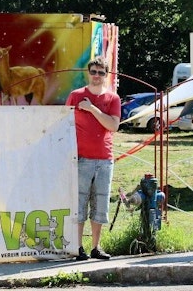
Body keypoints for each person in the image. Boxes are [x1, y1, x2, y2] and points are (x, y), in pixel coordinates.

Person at [65, 57, 120, 261]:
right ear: (88, 73)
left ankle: (96, 247)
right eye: (94, 72)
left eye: (101, 73)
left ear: (107, 75)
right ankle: (78, 247)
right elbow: (64, 123)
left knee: (101, 203)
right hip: (80, 158)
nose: (97, 76)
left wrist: (92, 109)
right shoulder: (76, 95)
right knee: (79, 203)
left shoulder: (113, 99)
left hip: (105, 159)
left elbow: (113, 126)